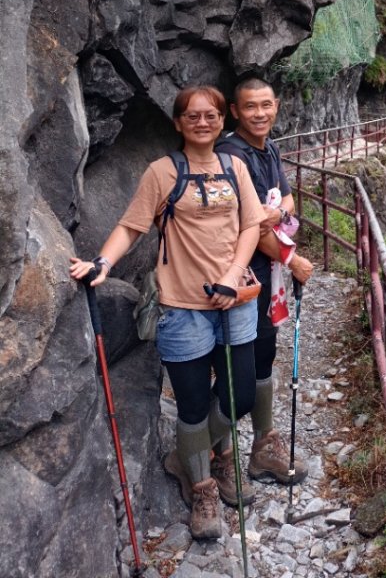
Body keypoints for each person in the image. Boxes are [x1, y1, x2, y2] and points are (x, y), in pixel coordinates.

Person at [70, 86, 267, 540]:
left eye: (212, 115)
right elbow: (131, 225)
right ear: (178, 123)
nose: (203, 122)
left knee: (240, 395)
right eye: (192, 116)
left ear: (222, 121)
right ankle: (202, 485)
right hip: (181, 309)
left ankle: (189, 453)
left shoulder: (234, 167)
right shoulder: (162, 172)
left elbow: (252, 225)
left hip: (234, 301)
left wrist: (235, 274)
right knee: (194, 404)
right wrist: (102, 262)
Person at [216, 77, 314, 485]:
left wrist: (274, 215)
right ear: (236, 111)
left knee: (263, 353)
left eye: (266, 105)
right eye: (250, 107)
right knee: (231, 363)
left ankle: (262, 446)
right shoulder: (230, 154)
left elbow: (286, 201)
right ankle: (215, 456)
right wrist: (293, 260)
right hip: (236, 275)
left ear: (276, 106)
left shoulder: (268, 148)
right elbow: (250, 228)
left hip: (263, 276)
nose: (260, 113)